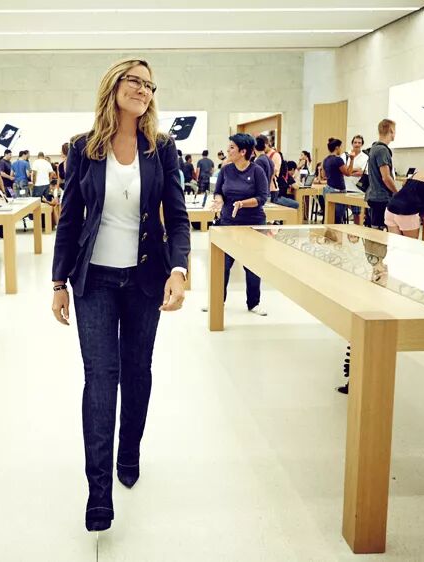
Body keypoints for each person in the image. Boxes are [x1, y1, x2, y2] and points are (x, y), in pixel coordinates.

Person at [51, 58, 189, 534]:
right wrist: (58, 282)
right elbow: (70, 218)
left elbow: (177, 215)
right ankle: (98, 493)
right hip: (94, 282)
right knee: (99, 378)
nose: (144, 90)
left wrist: (179, 269)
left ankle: (128, 451)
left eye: (150, 85)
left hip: (146, 278)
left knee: (137, 371)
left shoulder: (162, 147)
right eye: (135, 81)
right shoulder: (83, 147)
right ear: (113, 85)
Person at [212, 133, 270, 316]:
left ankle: (254, 303)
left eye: (231, 148)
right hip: (228, 223)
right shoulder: (226, 170)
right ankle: (217, 301)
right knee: (223, 264)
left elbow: (262, 197)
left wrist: (243, 203)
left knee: (252, 265)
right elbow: (218, 191)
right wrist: (219, 201)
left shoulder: (257, 171)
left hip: (253, 224)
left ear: (243, 151)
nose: (228, 151)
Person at [365, 119, 397, 229]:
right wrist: (397, 193)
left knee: (376, 229)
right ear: (391, 130)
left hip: (375, 196)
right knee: (379, 231)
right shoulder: (382, 150)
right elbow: (386, 177)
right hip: (382, 198)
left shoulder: (374, 148)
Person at [322, 138, 354, 224]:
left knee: (330, 217)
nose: (341, 149)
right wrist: (352, 159)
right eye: (340, 147)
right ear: (337, 147)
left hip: (328, 188)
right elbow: (348, 173)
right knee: (338, 219)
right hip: (337, 191)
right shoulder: (338, 160)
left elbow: (324, 175)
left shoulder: (326, 160)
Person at [341, 135, 367, 224]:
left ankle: (357, 229)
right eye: (355, 142)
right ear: (352, 143)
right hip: (344, 187)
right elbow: (342, 170)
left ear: (362, 144)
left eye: (359, 143)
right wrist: (354, 170)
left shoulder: (365, 157)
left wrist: (348, 171)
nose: (357, 144)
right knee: (341, 211)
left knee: (357, 213)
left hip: (357, 189)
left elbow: (362, 172)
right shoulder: (345, 155)